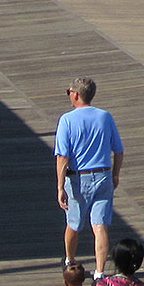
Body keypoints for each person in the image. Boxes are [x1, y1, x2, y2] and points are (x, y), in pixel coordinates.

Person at [55, 77, 124, 274]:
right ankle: (99, 272)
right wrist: (115, 175)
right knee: (100, 226)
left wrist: (60, 187)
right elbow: (119, 151)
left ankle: (69, 260)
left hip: (78, 178)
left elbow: (62, 157)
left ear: (75, 94)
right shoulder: (105, 117)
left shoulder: (67, 120)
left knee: (73, 224)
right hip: (103, 175)